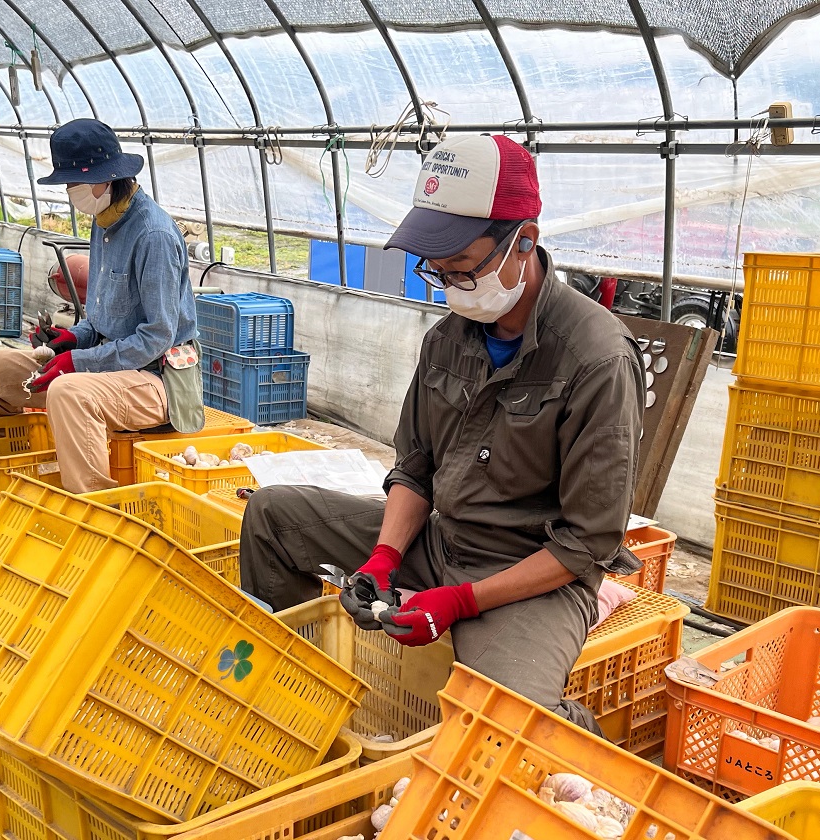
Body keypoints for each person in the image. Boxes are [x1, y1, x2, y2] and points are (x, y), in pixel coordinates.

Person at [239, 134, 645, 734]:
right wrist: (384, 557)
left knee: (507, 723)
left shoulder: (596, 358)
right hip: (439, 541)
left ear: (523, 242)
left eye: (461, 268)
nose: (449, 287)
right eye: (438, 271)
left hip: (529, 575)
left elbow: (585, 546)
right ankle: (303, 701)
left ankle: (574, 737)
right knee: (274, 517)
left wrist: (461, 602)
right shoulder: (449, 337)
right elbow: (416, 468)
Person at [0, 118, 200, 493]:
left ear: (107, 177)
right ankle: (8, 478)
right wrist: (71, 340)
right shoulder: (103, 220)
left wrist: (79, 362)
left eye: (74, 183)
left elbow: (157, 337)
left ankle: (95, 509)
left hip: (158, 381)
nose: (69, 192)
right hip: (104, 369)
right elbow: (101, 321)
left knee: (69, 391)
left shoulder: (154, 235)